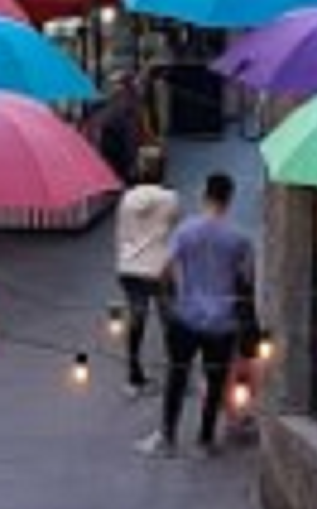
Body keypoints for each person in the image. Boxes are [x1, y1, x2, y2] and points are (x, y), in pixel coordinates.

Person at [137, 171, 252, 459]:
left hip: (186, 317)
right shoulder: (239, 239)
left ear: (204, 194)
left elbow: (164, 270)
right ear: (229, 198)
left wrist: (170, 297)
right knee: (215, 382)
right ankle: (204, 440)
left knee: (177, 376)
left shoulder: (186, 231)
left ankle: (167, 438)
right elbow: (247, 280)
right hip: (222, 322)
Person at [114, 146, 181, 397]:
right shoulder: (171, 198)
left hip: (130, 267)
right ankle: (176, 373)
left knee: (137, 322)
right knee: (169, 322)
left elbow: (122, 234)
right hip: (160, 267)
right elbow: (174, 228)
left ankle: (133, 376)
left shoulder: (127, 198)